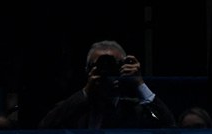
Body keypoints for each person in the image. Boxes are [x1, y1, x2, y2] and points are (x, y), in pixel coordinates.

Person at [39, 40, 175, 129]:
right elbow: (45, 127)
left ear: (125, 67)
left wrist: (139, 84)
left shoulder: (136, 110)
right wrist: (86, 92)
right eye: (99, 66)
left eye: (114, 66)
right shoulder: (74, 108)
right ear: (87, 70)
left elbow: (168, 125)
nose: (107, 71)